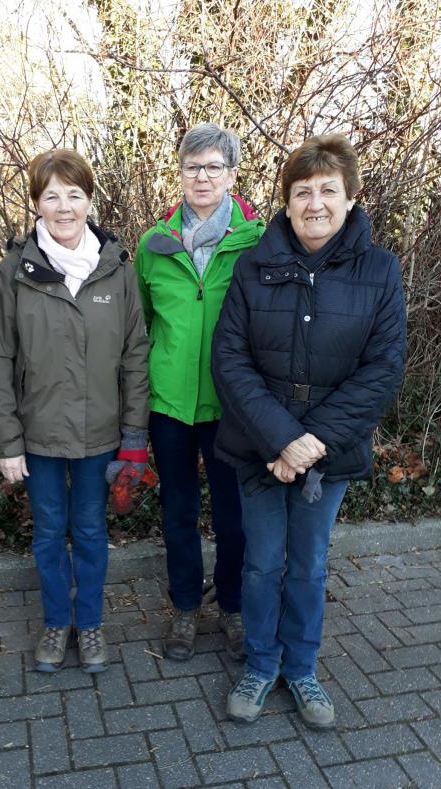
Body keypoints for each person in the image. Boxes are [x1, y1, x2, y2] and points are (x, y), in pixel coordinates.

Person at [212, 134, 407, 729]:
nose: (315, 203)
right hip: (259, 451)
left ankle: (301, 668)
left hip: (329, 456)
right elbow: (230, 359)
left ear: (350, 197)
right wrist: (280, 440)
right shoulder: (254, 265)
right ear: (286, 201)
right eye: (302, 192)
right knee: (262, 563)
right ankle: (260, 662)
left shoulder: (380, 271)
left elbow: (383, 368)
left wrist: (310, 443)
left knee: (309, 566)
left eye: (328, 190)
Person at [0, 148, 149, 674]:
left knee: (93, 533)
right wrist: (7, 442)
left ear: (89, 200)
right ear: (37, 204)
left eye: (74, 194)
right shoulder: (13, 273)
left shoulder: (117, 269)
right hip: (39, 438)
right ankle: (57, 622)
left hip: (100, 437)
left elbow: (136, 355)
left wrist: (133, 437)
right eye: (52, 195)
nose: (65, 206)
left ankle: (90, 623)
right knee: (49, 533)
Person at [134, 123, 265, 661]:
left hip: (233, 405)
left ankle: (232, 606)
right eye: (192, 167)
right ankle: (186, 607)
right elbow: (142, 324)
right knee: (178, 511)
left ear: (232, 175)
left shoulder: (257, 242)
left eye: (214, 167)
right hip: (169, 405)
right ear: (180, 174)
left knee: (234, 516)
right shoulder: (153, 244)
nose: (202, 177)